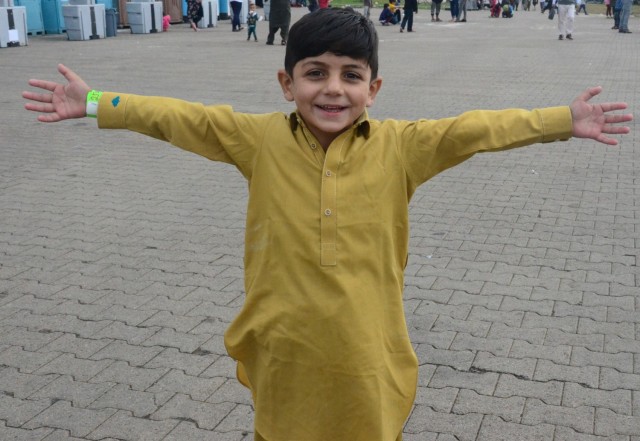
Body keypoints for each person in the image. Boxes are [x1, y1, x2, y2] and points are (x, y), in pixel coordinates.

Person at [22, 8, 632, 441]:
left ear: (374, 88)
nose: (332, 89)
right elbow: (182, 118)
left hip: (369, 351)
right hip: (284, 350)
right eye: (314, 73)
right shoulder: (258, 141)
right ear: (287, 83)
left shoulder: (402, 147)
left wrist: (561, 118)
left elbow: (475, 129)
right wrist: (98, 102)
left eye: (350, 75)